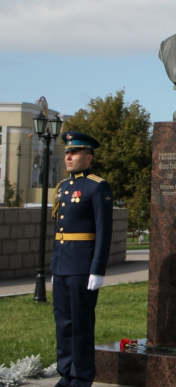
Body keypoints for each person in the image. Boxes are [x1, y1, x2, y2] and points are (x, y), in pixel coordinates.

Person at [51, 132, 114, 387]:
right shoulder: (62, 187)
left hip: (82, 267)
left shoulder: (97, 186)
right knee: (63, 325)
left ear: (88, 158)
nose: (68, 156)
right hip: (62, 265)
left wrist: (97, 269)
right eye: (67, 152)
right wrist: (54, 266)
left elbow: (103, 230)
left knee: (80, 325)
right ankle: (66, 374)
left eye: (74, 152)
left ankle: (81, 378)